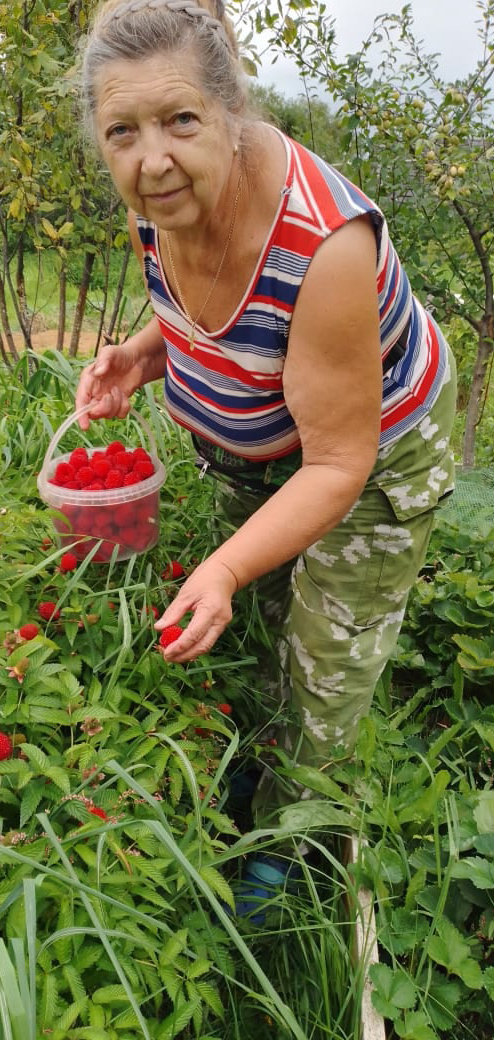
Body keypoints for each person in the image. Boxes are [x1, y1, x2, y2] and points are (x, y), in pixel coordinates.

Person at [75, 0, 457, 916]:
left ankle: (282, 852)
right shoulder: (160, 201)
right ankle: (256, 760)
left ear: (231, 115)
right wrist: (145, 351)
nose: (150, 157)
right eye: (121, 131)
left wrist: (224, 562)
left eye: (179, 122)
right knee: (269, 610)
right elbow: (209, 305)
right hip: (278, 446)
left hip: (371, 455)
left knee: (326, 656)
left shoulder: (325, 245)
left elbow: (337, 462)